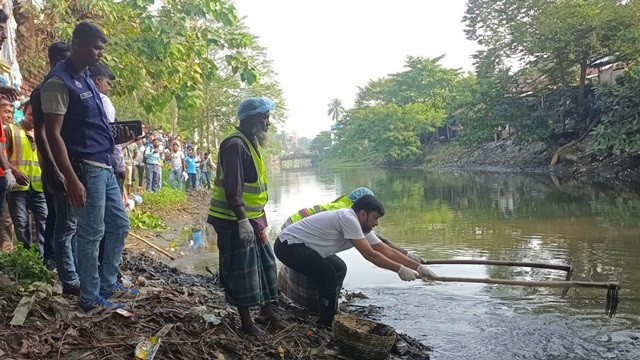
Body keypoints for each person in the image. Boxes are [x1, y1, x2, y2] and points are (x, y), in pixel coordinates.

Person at [43, 22, 136, 313]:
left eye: (101, 48)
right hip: (86, 167)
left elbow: (93, 125)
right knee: (90, 231)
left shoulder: (85, 78)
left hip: (105, 164)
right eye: (95, 47)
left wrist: (116, 136)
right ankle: (89, 296)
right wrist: (70, 178)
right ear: (77, 43)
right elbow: (52, 133)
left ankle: (108, 283)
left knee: (119, 223)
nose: (99, 53)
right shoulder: (59, 81)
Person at [275, 195, 437, 327]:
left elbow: (384, 249)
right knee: (327, 274)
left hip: (307, 246)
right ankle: (325, 322)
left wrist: (417, 267)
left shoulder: (362, 226)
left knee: (339, 267)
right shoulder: (348, 219)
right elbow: (370, 255)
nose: (377, 223)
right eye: (375, 218)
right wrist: (400, 269)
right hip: (288, 245)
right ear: (362, 214)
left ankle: (330, 308)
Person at [209, 97, 281, 337]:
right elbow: (233, 188)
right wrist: (242, 221)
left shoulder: (251, 142)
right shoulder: (235, 145)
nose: (268, 122)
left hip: (253, 218)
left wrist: (256, 218)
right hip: (234, 220)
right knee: (243, 272)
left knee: (266, 265)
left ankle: (267, 311)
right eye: (265, 116)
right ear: (252, 118)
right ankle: (247, 324)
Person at [31, 41, 71, 270]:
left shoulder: (65, 85)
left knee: (64, 217)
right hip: (54, 166)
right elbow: (42, 133)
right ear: (57, 60)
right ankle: (52, 262)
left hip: (65, 163)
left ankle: (60, 262)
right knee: (57, 216)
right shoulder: (43, 90)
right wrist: (54, 168)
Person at [4, 100, 48, 254]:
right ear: (23, 112)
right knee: (21, 224)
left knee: (44, 222)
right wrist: (13, 172)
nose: (33, 118)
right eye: (30, 114)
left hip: (39, 186)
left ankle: (43, 258)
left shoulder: (43, 132)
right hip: (18, 187)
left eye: (36, 115)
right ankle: (27, 257)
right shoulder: (11, 130)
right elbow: (2, 156)